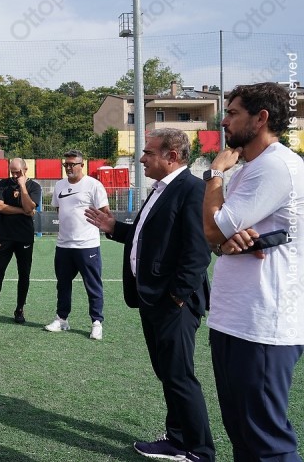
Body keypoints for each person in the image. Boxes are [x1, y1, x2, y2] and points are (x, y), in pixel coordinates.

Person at [85, 128, 214, 461]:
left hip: (173, 302)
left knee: (179, 375)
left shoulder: (192, 189)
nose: (141, 159)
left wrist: (177, 296)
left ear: (171, 156)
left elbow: (198, 251)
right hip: (153, 298)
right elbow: (149, 238)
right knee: (168, 373)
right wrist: (114, 228)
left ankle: (200, 451)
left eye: (148, 152)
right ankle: (177, 438)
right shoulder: (161, 189)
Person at [202, 82, 304, 461]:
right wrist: (223, 242)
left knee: (267, 444)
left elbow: (213, 227)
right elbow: (219, 236)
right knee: (243, 437)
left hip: (263, 325)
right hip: (236, 320)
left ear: (261, 119)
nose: (224, 121)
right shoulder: (251, 168)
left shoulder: (275, 165)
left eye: (232, 113)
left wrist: (213, 174)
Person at [45, 150, 109, 340]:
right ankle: (62, 319)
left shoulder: (93, 185)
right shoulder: (59, 185)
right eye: (66, 164)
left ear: (82, 165)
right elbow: (59, 209)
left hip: (87, 245)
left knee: (93, 285)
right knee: (63, 285)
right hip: (64, 245)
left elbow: (105, 212)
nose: (69, 167)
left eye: (72, 164)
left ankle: (96, 322)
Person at [0, 158, 40, 324]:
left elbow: (30, 207)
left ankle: (19, 309)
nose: (14, 175)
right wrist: (23, 211)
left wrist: (22, 186)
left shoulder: (34, 186)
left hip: (24, 237)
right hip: (5, 236)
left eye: (17, 172)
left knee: (24, 274)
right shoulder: (4, 183)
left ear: (25, 169)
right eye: (12, 172)